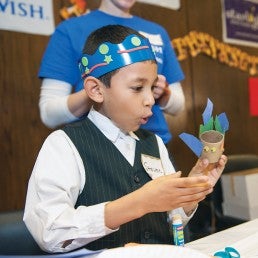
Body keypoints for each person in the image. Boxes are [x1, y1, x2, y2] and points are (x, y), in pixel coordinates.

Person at [24, 24, 227, 253]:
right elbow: (49, 231)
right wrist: (139, 202)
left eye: (152, 87)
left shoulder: (154, 143)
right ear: (96, 90)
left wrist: (191, 191)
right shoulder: (64, 145)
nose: (150, 99)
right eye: (138, 87)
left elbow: (172, 220)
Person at [39, 0, 185, 145]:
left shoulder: (157, 32)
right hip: (97, 146)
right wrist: (100, 91)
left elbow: (179, 105)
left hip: (154, 144)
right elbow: (49, 114)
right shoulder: (70, 30)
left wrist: (163, 93)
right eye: (137, 87)